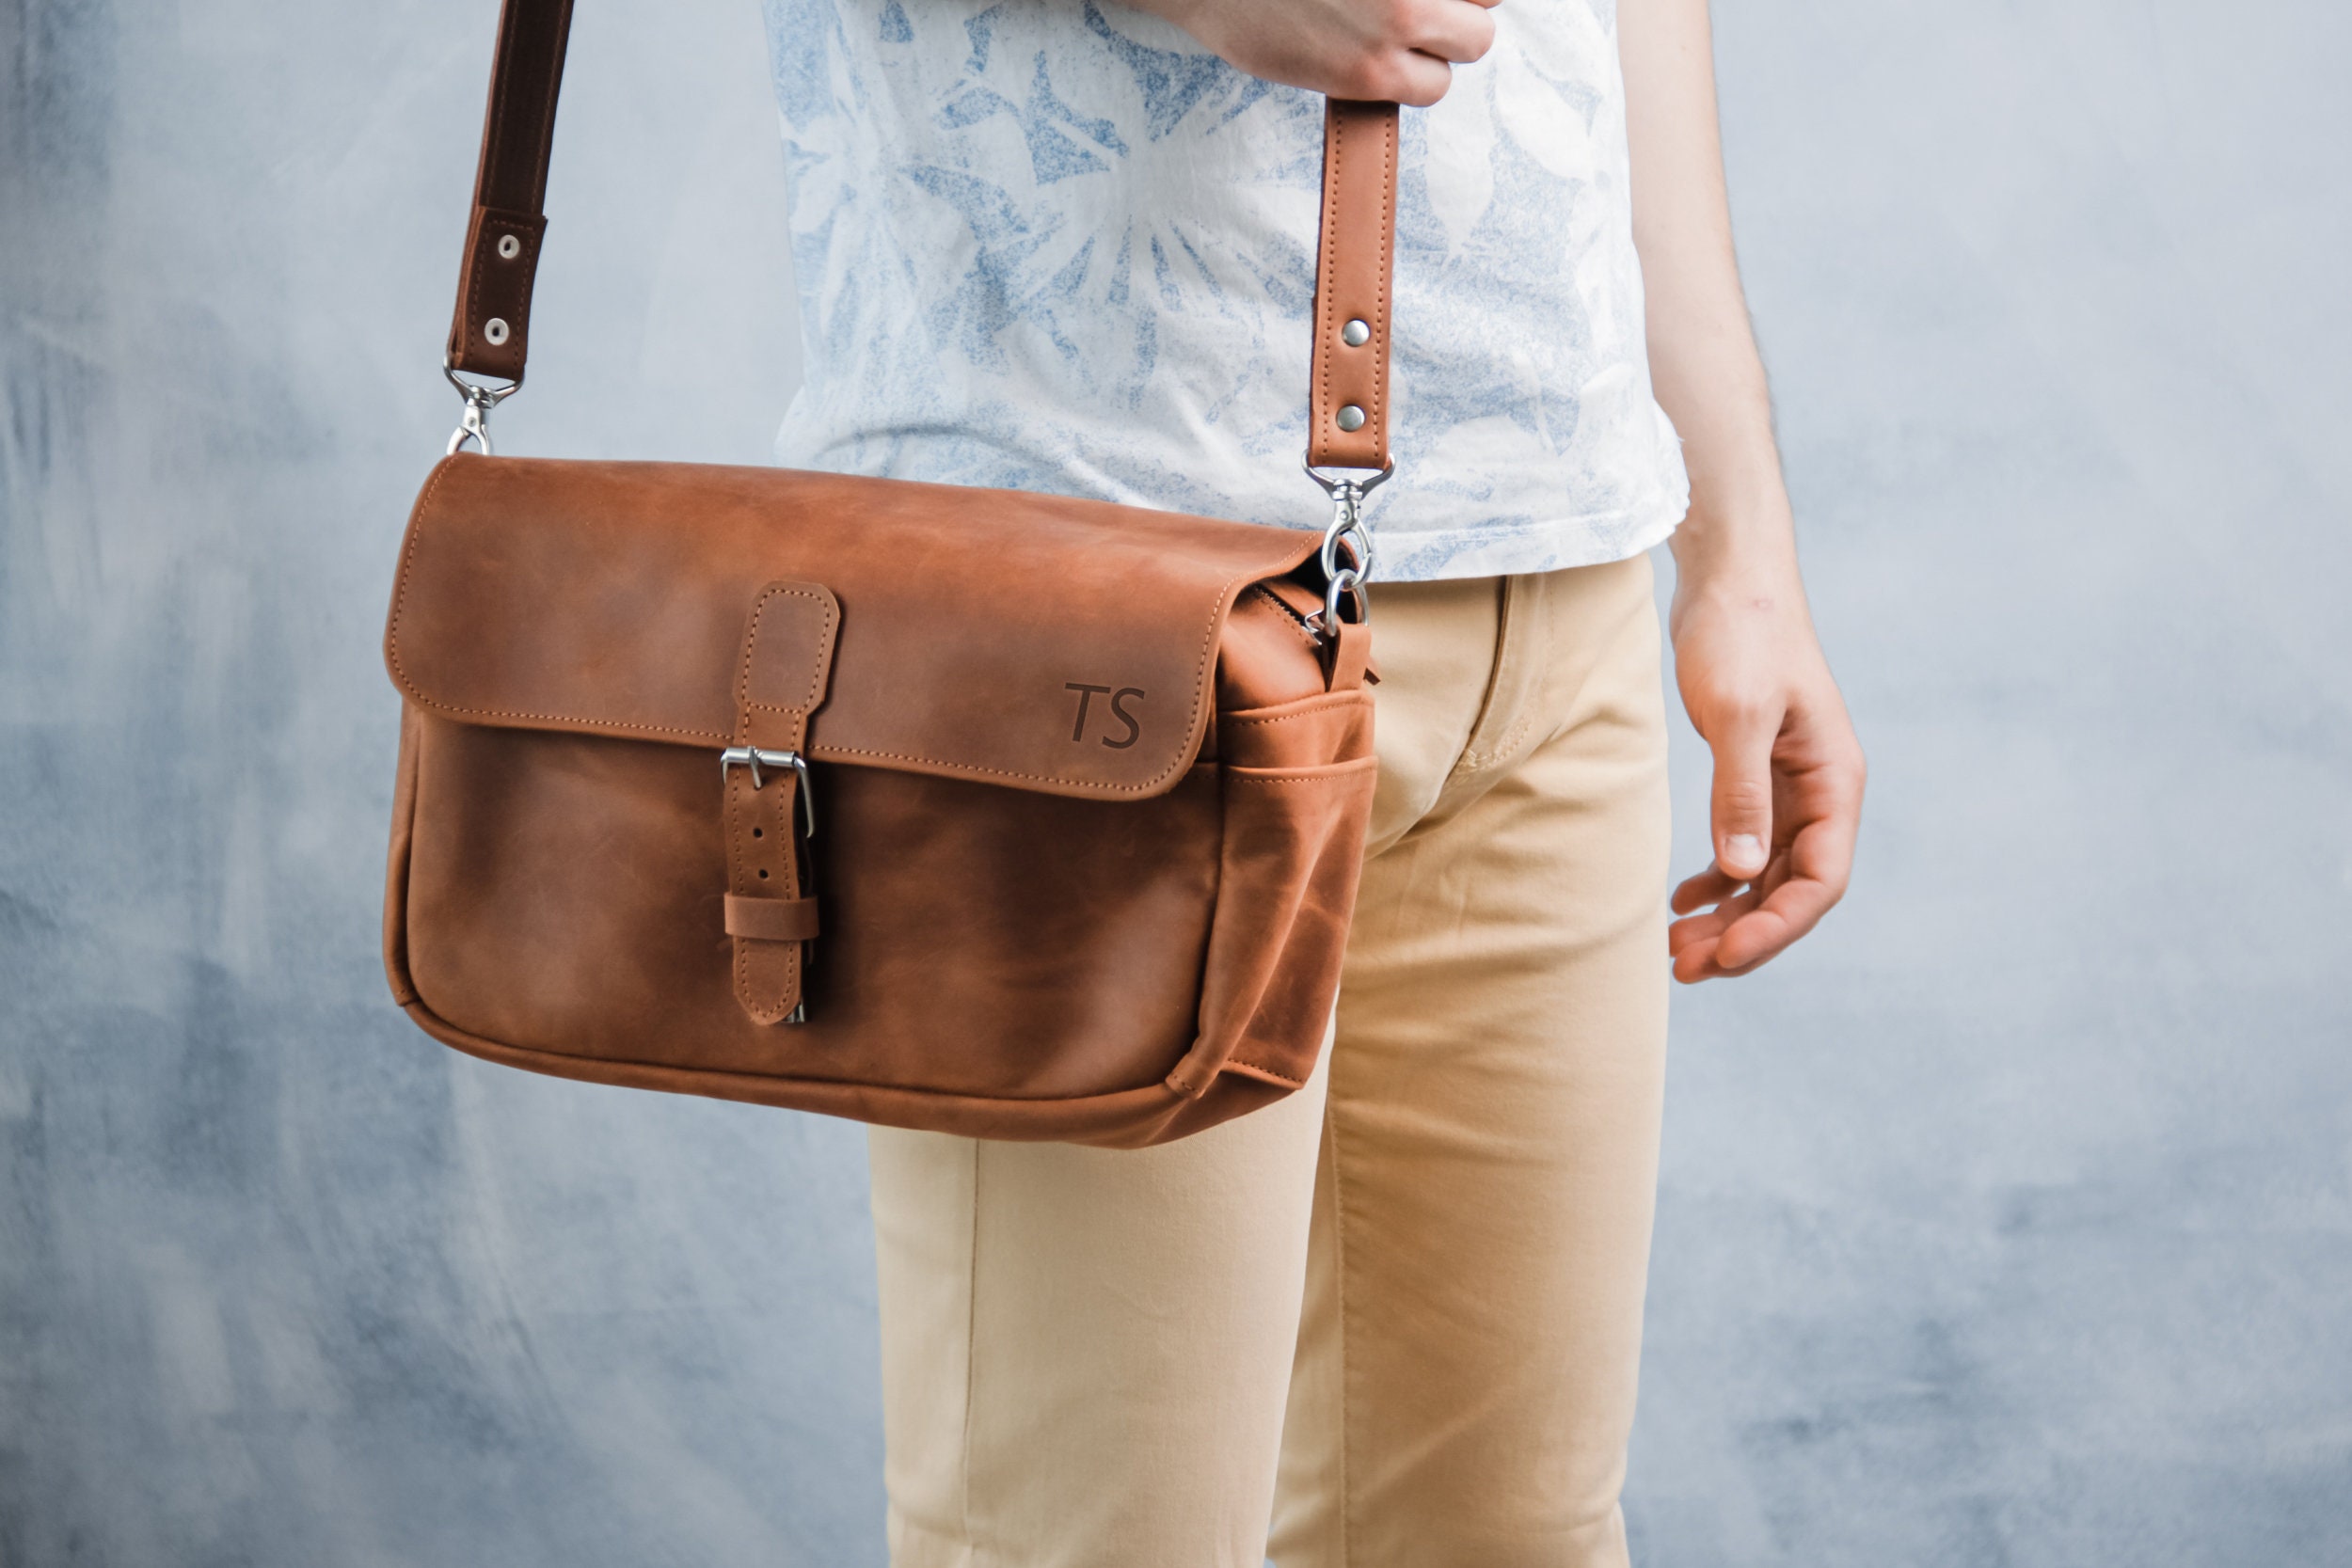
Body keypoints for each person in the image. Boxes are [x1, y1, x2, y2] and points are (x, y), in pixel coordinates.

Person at [763, 0, 1866, 1561]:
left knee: (1501, 1538)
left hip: (1555, 597)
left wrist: (1741, 546)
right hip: (1094, 605)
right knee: (1096, 1539)